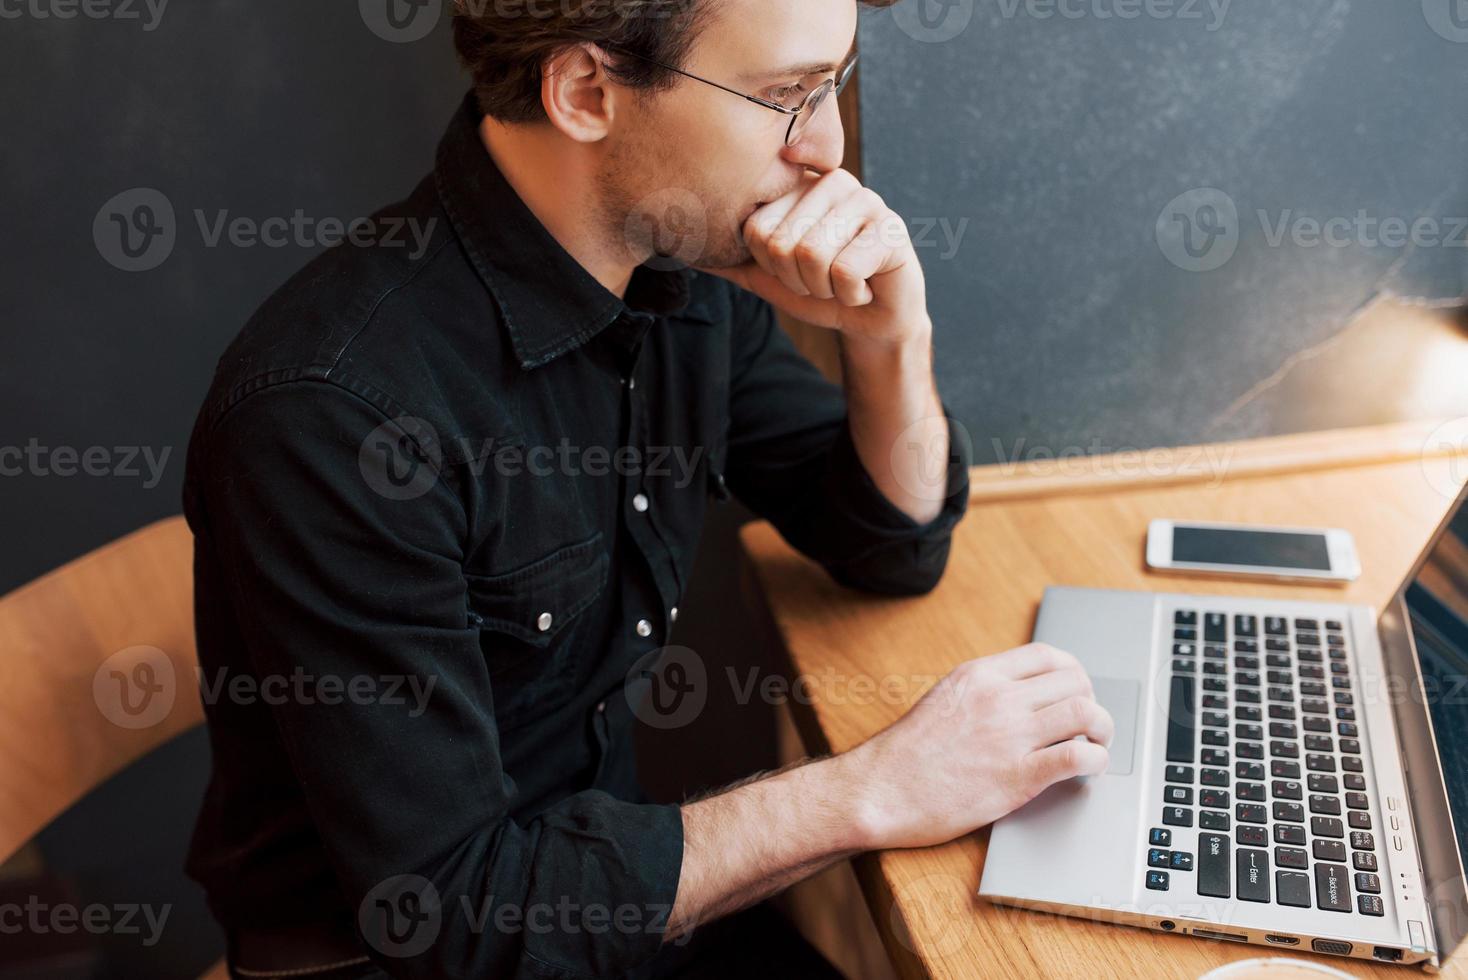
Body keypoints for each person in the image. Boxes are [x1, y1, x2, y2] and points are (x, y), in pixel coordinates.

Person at [181, 0, 1115, 976]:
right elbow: (457, 911)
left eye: (831, 84)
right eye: (784, 97)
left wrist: (889, 340)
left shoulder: (680, 266)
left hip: (611, 913)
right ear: (588, 92)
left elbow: (888, 543)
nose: (828, 149)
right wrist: (873, 788)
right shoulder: (332, 416)